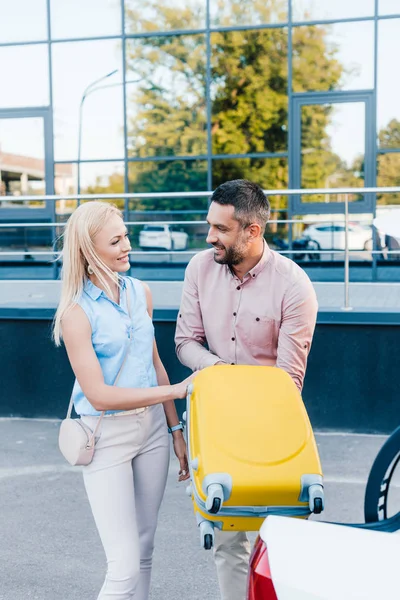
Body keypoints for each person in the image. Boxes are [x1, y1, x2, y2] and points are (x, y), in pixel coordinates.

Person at [175, 179, 318, 600]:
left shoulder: (294, 286)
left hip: (273, 423)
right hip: (217, 420)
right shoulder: (199, 268)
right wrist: (220, 370)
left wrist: (235, 386)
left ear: (252, 231)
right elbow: (186, 342)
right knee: (227, 538)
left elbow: (288, 381)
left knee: (277, 536)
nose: (209, 237)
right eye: (209, 226)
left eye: (220, 228)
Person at [53, 201, 194, 600]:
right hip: (106, 439)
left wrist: (175, 430)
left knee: (145, 550)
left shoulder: (140, 293)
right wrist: (176, 392)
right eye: (115, 241)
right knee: (124, 566)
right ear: (89, 251)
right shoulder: (76, 313)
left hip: (151, 430)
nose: (127, 246)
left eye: (126, 235)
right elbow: (98, 394)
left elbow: (155, 364)